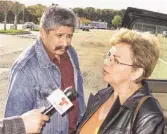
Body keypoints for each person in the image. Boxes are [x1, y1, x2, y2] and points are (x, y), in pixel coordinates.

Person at [4, 5, 85, 134]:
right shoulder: (25, 68)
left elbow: (78, 95)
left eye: (69, 36)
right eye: (59, 35)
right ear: (42, 32)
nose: (65, 43)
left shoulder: (71, 54)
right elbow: (15, 123)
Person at [76, 28, 165, 134]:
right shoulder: (101, 96)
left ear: (136, 72)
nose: (106, 62)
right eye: (109, 56)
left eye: (117, 60)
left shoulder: (148, 115)